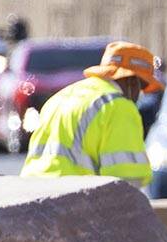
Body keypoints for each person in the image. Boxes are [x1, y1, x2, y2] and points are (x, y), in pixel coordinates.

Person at [20, 41, 159, 185]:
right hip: (73, 198)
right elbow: (128, 177)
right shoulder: (118, 106)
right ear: (132, 81)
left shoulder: (61, 97)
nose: (139, 94)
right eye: (142, 86)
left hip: (33, 191)